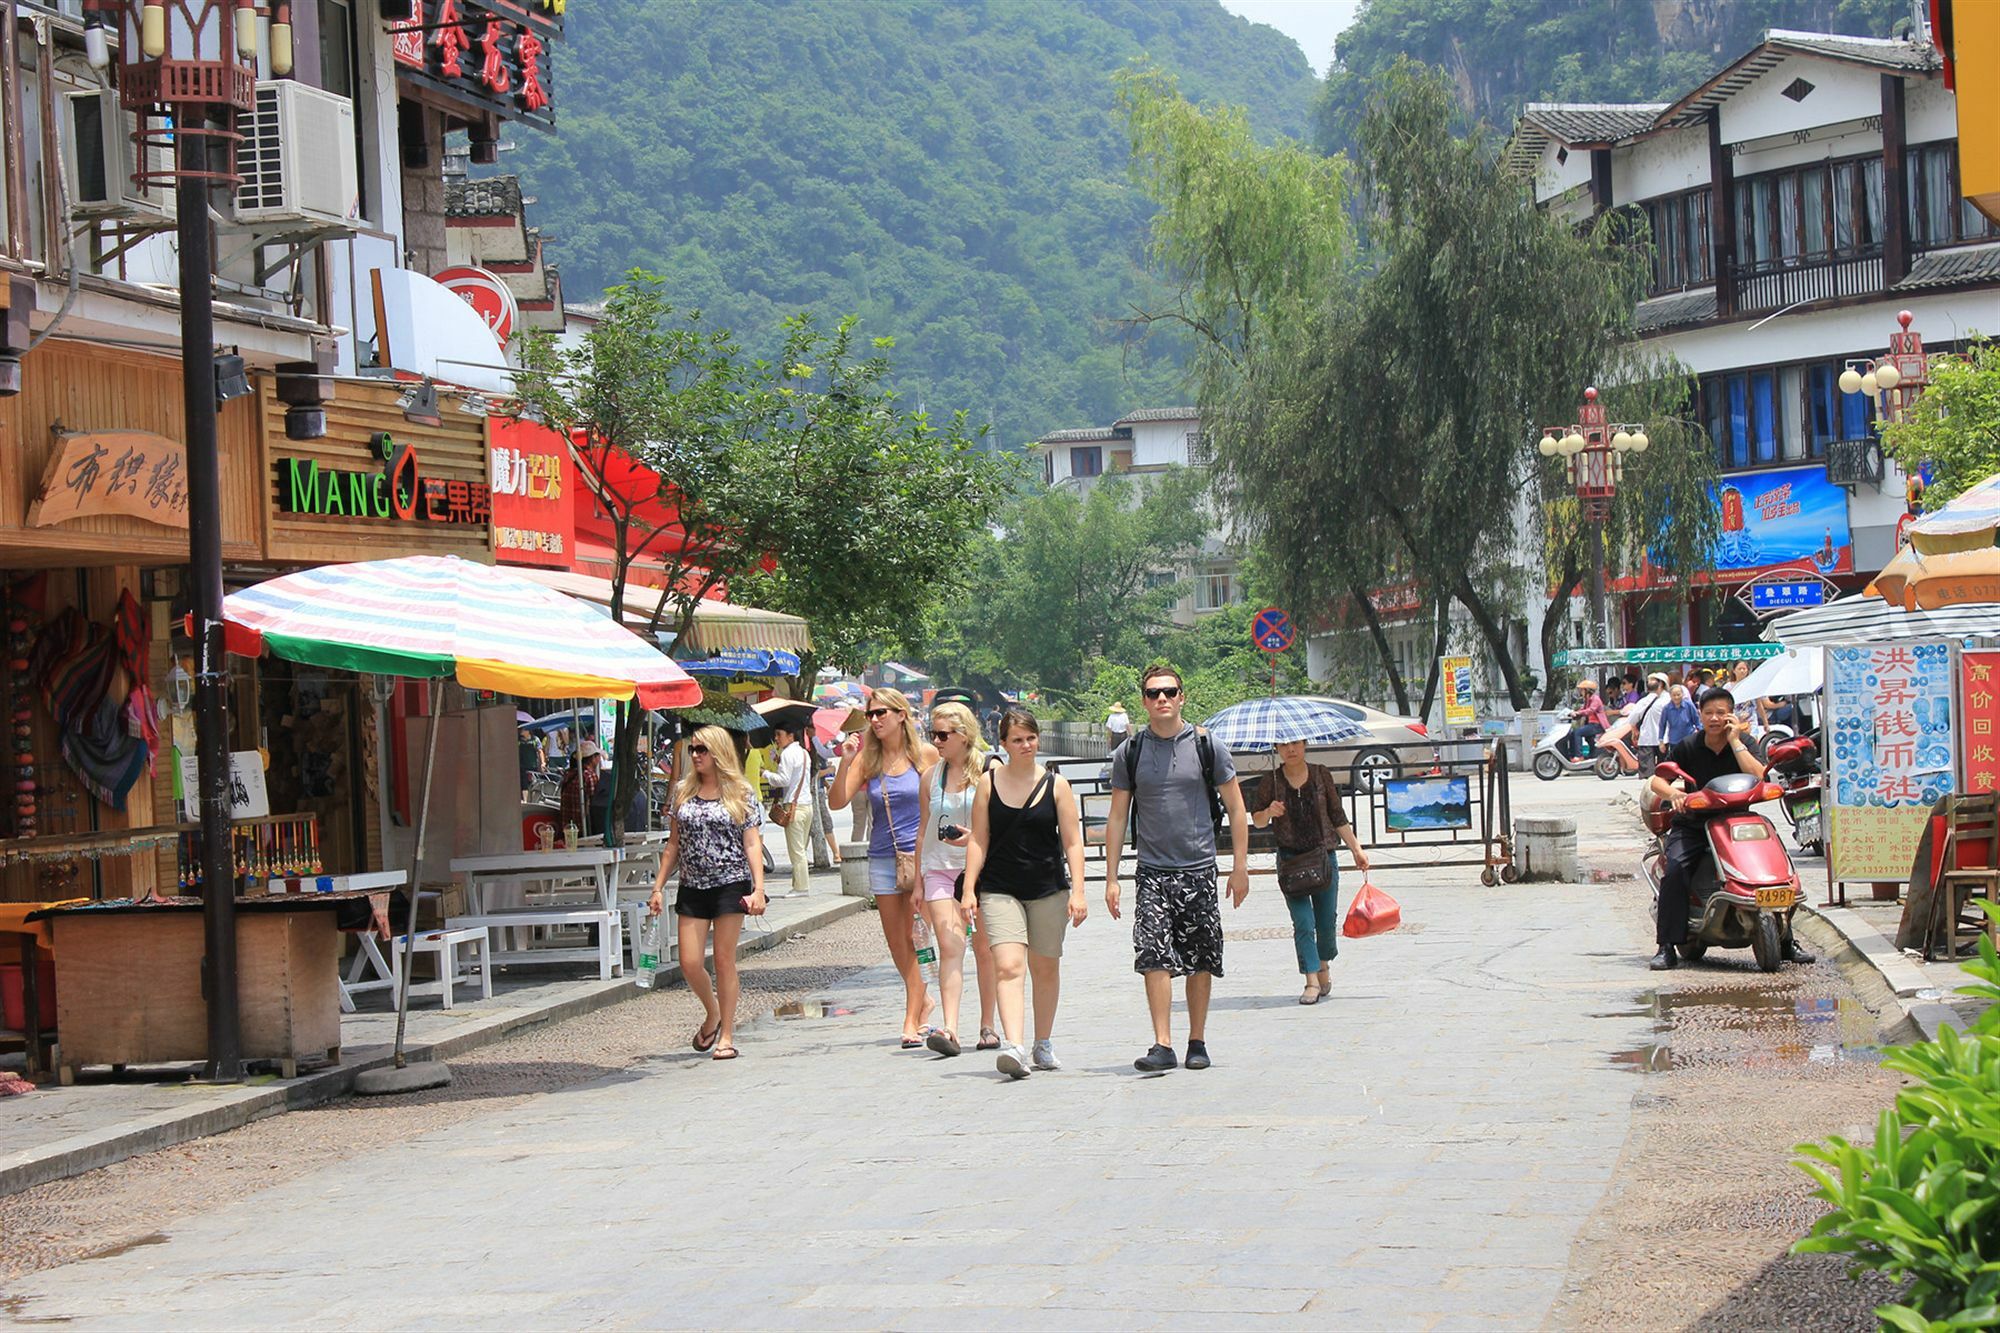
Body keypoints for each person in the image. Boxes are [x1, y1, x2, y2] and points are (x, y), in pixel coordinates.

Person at [1104, 662, 1250, 1073]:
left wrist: (1240, 869)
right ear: (1144, 701)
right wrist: (1112, 878)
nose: (1162, 699)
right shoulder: (1130, 752)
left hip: (1199, 867)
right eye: (1153, 693)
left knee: (1201, 957)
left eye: (1169, 691)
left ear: (1181, 696)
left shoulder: (1207, 745)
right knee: (1152, 953)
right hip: (1151, 871)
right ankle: (1162, 1042)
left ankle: (1197, 1040)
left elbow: (1237, 809)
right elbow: (1117, 817)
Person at [1646, 688, 1812, 971]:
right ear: (1700, 715)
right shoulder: (1688, 745)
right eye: (1709, 713)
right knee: (1675, 869)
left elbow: (1759, 775)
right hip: (1695, 824)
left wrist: (1736, 742)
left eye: (1721, 713)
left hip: (1738, 822)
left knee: (1775, 870)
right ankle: (1666, 946)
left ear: (1731, 715)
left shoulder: (1744, 741)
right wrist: (1675, 795)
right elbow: (1658, 779)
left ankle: (1786, 942)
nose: (1714, 718)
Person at [960, 708, 1087, 1077]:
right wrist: (969, 888)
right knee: (1009, 966)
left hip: (1048, 887)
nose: (1025, 745)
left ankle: (1042, 1043)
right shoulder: (989, 783)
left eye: (1030, 738)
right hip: (1000, 888)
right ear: (1004, 744)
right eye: (1017, 740)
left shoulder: (1056, 785)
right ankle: (1014, 1046)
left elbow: (1073, 843)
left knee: (1045, 966)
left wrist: (1078, 892)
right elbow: (978, 839)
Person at [646, 724, 769, 1059]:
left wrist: (758, 888)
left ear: (718, 753)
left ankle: (726, 1035)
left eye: (702, 750)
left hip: (731, 882)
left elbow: (752, 841)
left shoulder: (740, 793)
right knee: (688, 962)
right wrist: (657, 887)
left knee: (725, 959)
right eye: (693, 750)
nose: (696, 756)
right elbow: (673, 844)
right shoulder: (682, 792)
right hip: (692, 884)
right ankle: (712, 1012)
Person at [831, 687, 940, 1047]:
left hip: (920, 857)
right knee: (896, 943)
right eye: (871, 714)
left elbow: (943, 802)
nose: (875, 720)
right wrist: (846, 760)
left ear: (901, 715)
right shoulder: (868, 759)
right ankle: (921, 999)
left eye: (881, 713)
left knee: (916, 938)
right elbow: (836, 802)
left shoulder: (924, 755)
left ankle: (911, 1019)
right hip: (881, 856)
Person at [1251, 733, 1371, 1004]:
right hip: (1291, 861)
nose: (1290, 749)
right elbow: (1257, 820)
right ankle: (1311, 979)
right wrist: (1269, 811)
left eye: (1295, 743)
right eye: (1283, 744)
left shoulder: (1320, 774)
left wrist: (1356, 849)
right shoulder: (1271, 781)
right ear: (1277, 748)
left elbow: (1337, 814)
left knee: (1326, 921)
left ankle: (1324, 963)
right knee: (1303, 922)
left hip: (1324, 857)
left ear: (1305, 744)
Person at [915, 702, 1000, 1056]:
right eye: (932, 734)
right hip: (938, 867)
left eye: (943, 734)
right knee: (951, 946)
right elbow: (923, 830)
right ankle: (950, 1028)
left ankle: (988, 1025)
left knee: (984, 948)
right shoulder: (930, 776)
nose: (936, 741)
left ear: (964, 736)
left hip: (978, 869)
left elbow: (1001, 824)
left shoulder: (988, 771)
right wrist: (918, 882)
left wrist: (975, 838)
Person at [764, 722, 813, 898]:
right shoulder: (803, 753)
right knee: (801, 848)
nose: (777, 738)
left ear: (790, 736)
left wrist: (766, 773)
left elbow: (783, 780)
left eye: (779, 734)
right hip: (807, 805)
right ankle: (798, 885)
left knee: (797, 850)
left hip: (794, 806)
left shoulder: (787, 754)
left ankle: (801, 888)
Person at [558, 739, 602, 839]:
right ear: (593, 758)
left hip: (568, 828)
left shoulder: (569, 774)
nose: (600, 758)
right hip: (584, 828)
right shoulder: (589, 776)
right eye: (598, 756)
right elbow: (594, 803)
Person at [1633, 673, 1672, 770]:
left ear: (1661, 683)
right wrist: (1634, 729)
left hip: (1664, 739)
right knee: (1647, 771)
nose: (1649, 682)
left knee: (1663, 770)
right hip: (1647, 738)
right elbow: (1634, 716)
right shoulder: (1646, 699)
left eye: (1652, 680)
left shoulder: (1668, 699)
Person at [1562, 680, 1607, 760]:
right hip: (1591, 725)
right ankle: (1572, 755)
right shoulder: (1587, 700)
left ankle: (1579, 756)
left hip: (1597, 725)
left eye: (1582, 690)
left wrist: (1578, 713)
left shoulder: (1595, 699)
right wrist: (1574, 713)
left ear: (1587, 690)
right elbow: (1583, 709)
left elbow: (1590, 710)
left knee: (1577, 732)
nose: (1581, 692)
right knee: (1572, 733)